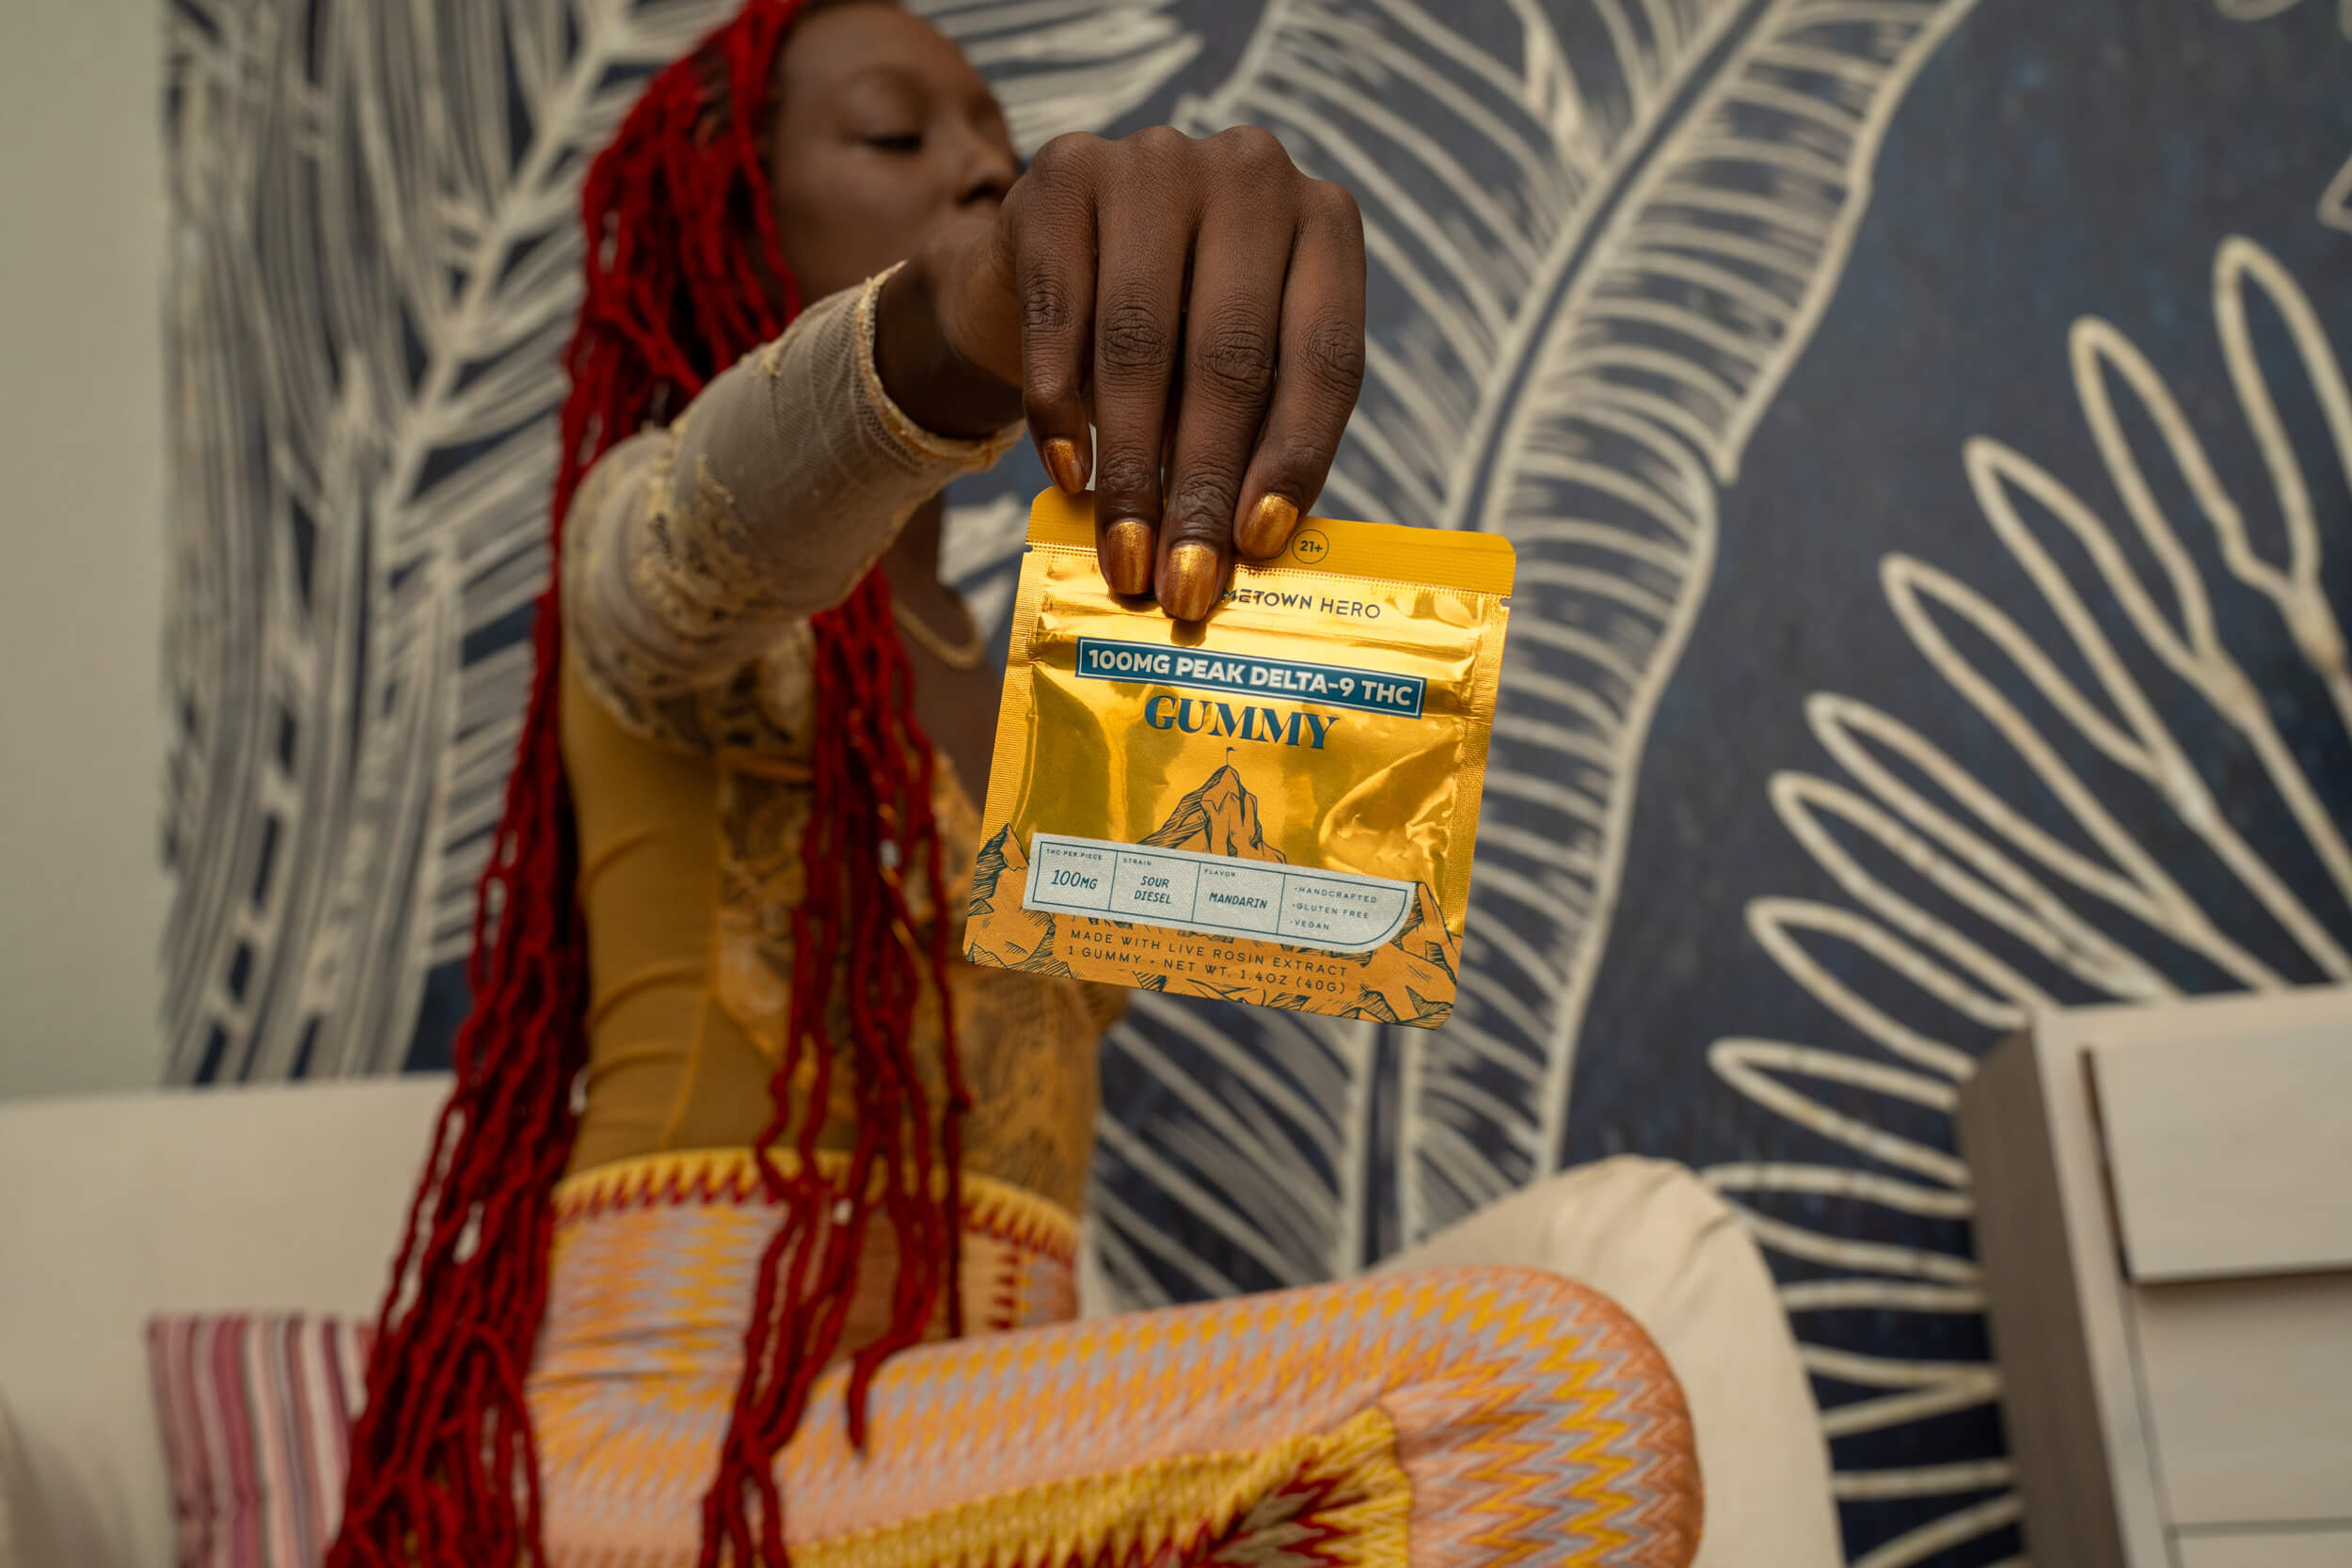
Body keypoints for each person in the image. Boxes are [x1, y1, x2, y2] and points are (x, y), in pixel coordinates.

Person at [327, 3, 1836, 1565]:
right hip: (681, 1450)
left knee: (1619, 1294)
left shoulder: (1064, 665)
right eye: (898, 134)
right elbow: (698, 544)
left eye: (996, 133)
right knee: (1551, 1401)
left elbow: (1322, 908)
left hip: (981, 1449)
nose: (984, 164)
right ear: (733, 216)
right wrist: (967, 310)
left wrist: (1271, 632)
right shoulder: (639, 545)